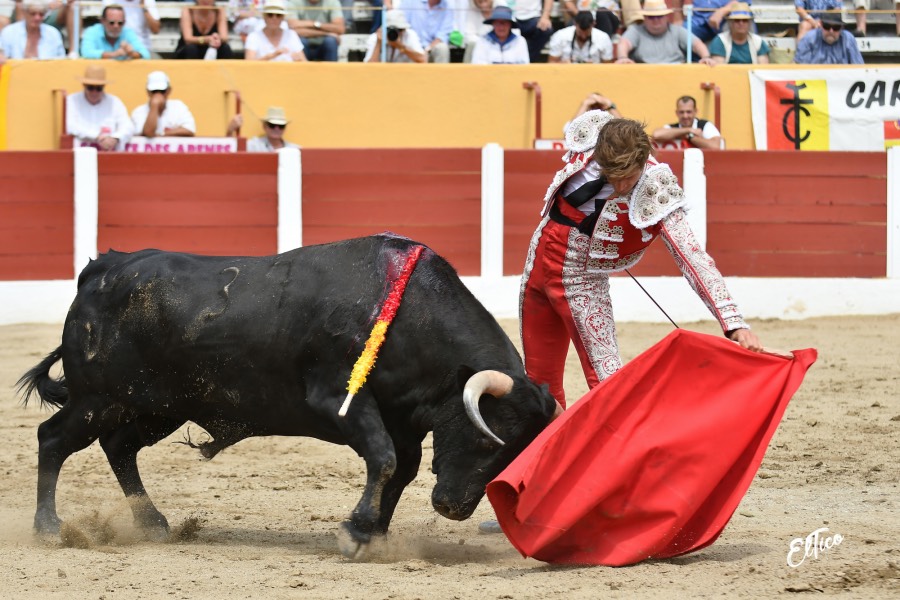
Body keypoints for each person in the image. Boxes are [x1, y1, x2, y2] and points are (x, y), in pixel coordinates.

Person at [520, 111, 762, 410]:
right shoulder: (591, 138)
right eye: (613, 177)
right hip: (536, 264)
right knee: (537, 382)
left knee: (608, 382)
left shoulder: (656, 184)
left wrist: (733, 323)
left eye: (628, 178)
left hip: (582, 280)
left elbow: (692, 256)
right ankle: (546, 454)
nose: (621, 187)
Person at [616, 0, 715, 64]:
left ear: (666, 17)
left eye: (659, 16)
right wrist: (622, 57)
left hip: (676, 73)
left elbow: (697, 44)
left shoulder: (677, 30)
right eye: (651, 17)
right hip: (644, 75)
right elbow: (624, 43)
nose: (656, 20)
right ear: (644, 18)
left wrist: (706, 57)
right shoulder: (636, 30)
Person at [66, 64, 134, 151]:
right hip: (80, 156)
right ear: (84, 85)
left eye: (98, 88)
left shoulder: (114, 102)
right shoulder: (72, 100)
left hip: (109, 155)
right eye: (90, 88)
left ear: (104, 87)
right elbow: (70, 126)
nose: (94, 92)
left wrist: (115, 138)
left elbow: (128, 126)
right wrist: (98, 136)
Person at [131, 71, 196, 138]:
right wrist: (155, 106)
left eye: (162, 91)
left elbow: (189, 130)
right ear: (148, 91)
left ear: (169, 90)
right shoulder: (138, 112)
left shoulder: (179, 107)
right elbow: (148, 132)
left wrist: (162, 134)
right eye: (154, 91)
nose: (158, 95)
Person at [652, 95, 724, 150]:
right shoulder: (671, 127)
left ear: (695, 111)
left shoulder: (705, 125)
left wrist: (689, 137)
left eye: (688, 112)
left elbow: (715, 147)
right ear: (676, 113)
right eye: (681, 112)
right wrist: (689, 130)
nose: (685, 116)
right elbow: (656, 135)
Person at [80, 4, 150, 60]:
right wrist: (113, 54)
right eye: (112, 23)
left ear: (124, 22)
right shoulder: (92, 31)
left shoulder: (128, 32)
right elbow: (86, 53)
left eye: (120, 23)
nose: (116, 26)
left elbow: (146, 54)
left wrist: (132, 53)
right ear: (102, 21)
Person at [0, 0, 65, 60]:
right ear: (25, 13)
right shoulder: (9, 32)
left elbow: (61, 59)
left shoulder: (53, 33)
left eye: (41, 14)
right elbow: (3, 57)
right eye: (33, 13)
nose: (37, 18)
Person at [794, 12, 864, 64]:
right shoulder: (809, 38)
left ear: (841, 28)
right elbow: (800, 68)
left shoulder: (848, 39)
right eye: (826, 26)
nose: (831, 31)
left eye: (836, 28)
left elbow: (859, 67)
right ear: (820, 25)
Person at [547, 10, 613, 64]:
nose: (583, 36)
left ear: (593, 24)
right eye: (580, 32)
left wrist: (594, 66)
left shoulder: (603, 38)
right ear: (575, 24)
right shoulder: (560, 35)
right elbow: (551, 62)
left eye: (587, 32)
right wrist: (562, 64)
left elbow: (608, 65)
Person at [227, 106, 300, 151]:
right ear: (264, 126)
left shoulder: (295, 149)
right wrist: (229, 132)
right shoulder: (254, 145)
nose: (276, 129)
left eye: (281, 126)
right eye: (272, 125)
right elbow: (233, 150)